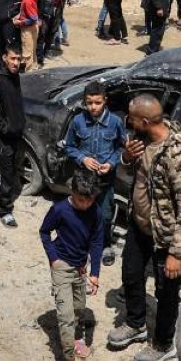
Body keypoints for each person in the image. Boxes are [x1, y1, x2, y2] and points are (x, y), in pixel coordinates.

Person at [106, 94, 181, 361]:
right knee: (131, 274)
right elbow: (132, 173)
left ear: (145, 121)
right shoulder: (142, 139)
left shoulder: (176, 155)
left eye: (131, 118)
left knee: (166, 292)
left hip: (165, 236)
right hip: (139, 225)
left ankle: (163, 344)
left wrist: (176, 253)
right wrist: (126, 158)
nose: (127, 121)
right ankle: (136, 323)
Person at [39, 169, 104, 361]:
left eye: (89, 200)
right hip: (62, 267)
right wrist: (53, 258)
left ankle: (76, 337)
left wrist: (95, 273)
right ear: (72, 192)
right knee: (65, 316)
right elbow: (44, 232)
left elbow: (97, 242)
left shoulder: (95, 212)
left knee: (79, 307)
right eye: (80, 200)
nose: (84, 205)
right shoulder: (59, 209)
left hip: (81, 268)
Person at [64, 81, 126, 267]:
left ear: (105, 101)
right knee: (81, 211)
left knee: (105, 215)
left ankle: (105, 245)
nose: (93, 107)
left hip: (105, 181)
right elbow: (69, 146)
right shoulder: (78, 121)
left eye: (97, 102)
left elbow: (121, 148)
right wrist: (83, 159)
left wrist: (111, 163)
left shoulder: (115, 122)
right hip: (83, 180)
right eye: (89, 102)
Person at [0, 43, 24, 227]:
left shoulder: (14, 76)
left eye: (18, 59)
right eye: (13, 58)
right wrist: (5, 129)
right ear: (4, 58)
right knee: (4, 173)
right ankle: (5, 211)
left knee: (4, 170)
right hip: (1, 138)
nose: (16, 62)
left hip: (14, 134)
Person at [13, 0, 40, 70]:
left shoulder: (27, 1)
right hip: (34, 28)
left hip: (28, 29)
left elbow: (33, 18)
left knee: (27, 53)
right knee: (32, 50)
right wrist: (19, 15)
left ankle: (29, 72)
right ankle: (35, 68)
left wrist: (20, 22)